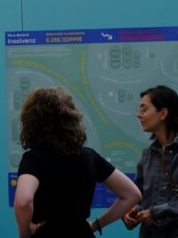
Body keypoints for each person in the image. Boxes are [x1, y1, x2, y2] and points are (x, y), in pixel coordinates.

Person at [13, 87, 141, 237]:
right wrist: (96, 224)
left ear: (31, 123)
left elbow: (23, 201)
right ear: (71, 120)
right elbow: (132, 194)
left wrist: (25, 234)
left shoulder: (33, 159)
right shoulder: (89, 157)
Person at [124, 86, 178, 237]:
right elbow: (138, 196)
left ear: (163, 113)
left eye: (144, 109)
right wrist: (132, 211)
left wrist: (156, 213)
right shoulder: (148, 154)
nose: (138, 115)